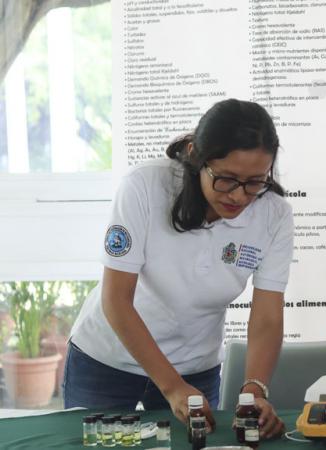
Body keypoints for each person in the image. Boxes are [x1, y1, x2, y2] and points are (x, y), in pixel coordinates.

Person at [64, 99, 292, 438]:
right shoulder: (144, 187)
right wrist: (171, 387)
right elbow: (116, 298)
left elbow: (267, 317)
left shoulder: (274, 215)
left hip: (195, 368)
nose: (240, 196)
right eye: (226, 179)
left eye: (255, 182)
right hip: (107, 362)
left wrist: (254, 392)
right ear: (194, 156)